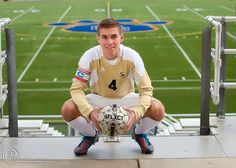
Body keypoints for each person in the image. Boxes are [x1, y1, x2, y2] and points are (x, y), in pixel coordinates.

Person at [61, 18, 165, 156]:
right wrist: (89, 112)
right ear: (98, 38)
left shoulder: (132, 56)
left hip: (126, 99)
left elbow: (146, 89)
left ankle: (139, 133)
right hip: (98, 99)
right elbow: (76, 89)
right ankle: (90, 135)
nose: (109, 42)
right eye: (104, 37)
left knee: (158, 109)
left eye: (114, 36)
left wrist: (136, 113)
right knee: (68, 109)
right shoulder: (89, 56)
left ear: (122, 37)